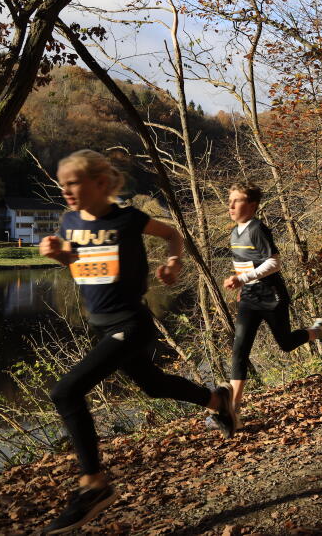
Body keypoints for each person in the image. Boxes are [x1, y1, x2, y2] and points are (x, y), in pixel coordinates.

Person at [40, 150, 237, 534]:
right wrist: (56, 253)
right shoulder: (69, 221)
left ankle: (93, 485)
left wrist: (172, 262)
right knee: (152, 384)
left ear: (99, 183)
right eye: (62, 184)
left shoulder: (127, 219)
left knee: (65, 392)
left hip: (131, 323)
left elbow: (172, 235)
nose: (66, 191)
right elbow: (74, 259)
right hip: (101, 324)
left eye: (73, 183)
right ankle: (219, 401)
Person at [226, 182, 322, 428]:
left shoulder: (257, 228)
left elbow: (274, 263)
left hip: (272, 298)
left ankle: (320, 332)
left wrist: (242, 279)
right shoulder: (234, 233)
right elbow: (247, 264)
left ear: (251, 206)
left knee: (285, 343)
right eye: (229, 200)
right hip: (249, 299)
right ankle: (232, 412)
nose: (231, 205)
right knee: (239, 352)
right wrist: (241, 285)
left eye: (237, 200)